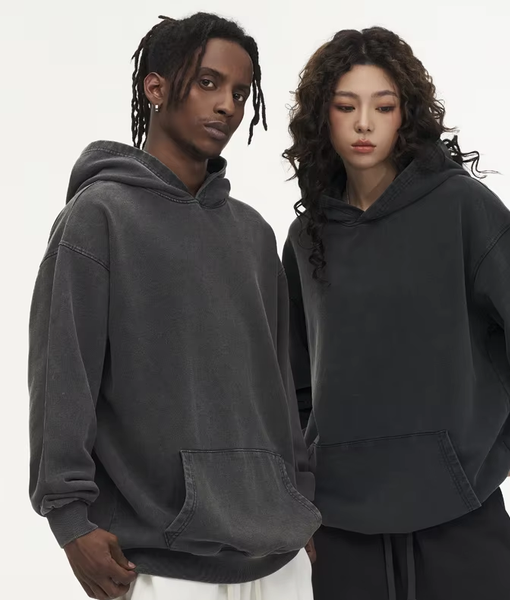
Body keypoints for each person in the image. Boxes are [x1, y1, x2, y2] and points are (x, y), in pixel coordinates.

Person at [282, 26, 510, 600]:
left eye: (383, 106)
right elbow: (293, 375)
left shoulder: (459, 206)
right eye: (346, 106)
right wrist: (305, 475)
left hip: (459, 510)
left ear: (406, 114)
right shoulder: (307, 236)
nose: (364, 124)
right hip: (341, 525)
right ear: (323, 117)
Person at [28, 12, 320, 600]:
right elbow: (64, 376)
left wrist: (303, 497)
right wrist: (69, 519)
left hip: (279, 555)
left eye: (240, 92)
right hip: (156, 558)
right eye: (208, 83)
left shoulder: (254, 236)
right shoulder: (99, 217)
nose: (227, 106)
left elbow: (282, 387)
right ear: (155, 87)